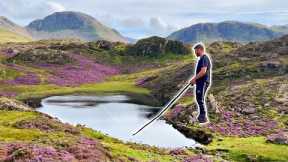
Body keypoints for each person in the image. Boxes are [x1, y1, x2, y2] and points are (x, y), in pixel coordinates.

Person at [189, 42, 212, 125]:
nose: (195, 53)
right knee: (199, 98)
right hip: (200, 82)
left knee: (200, 98)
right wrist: (195, 81)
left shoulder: (204, 58)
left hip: (203, 82)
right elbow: (201, 73)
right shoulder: (201, 59)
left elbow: (203, 71)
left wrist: (194, 79)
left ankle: (203, 117)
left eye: (195, 51)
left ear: (200, 49)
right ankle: (202, 116)